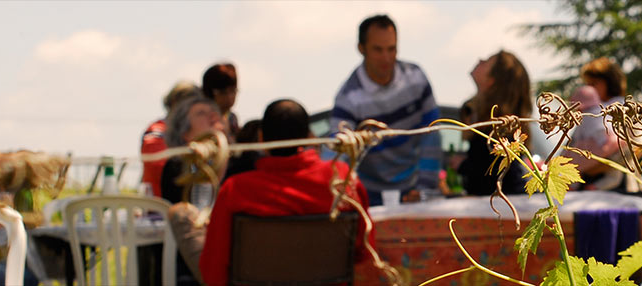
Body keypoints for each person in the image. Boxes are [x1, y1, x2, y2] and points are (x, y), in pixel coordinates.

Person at [200, 99, 372, 286]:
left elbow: (213, 269)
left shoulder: (235, 190)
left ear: (261, 138)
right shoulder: (343, 180)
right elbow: (364, 251)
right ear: (309, 136)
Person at [327, 15, 443, 205]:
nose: (386, 58)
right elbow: (338, 152)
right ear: (361, 49)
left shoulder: (416, 79)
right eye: (378, 50)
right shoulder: (348, 99)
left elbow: (432, 135)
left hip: (414, 190)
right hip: (369, 195)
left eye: (392, 49)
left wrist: (424, 188)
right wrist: (344, 192)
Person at [457, 51, 532, 196]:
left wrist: (463, 165)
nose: (479, 59)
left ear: (492, 80)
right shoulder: (494, 121)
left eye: (486, 61)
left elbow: (490, 175)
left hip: (506, 206)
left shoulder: (498, 129)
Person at [567, 58, 630, 191]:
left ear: (610, 83)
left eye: (594, 84)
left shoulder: (622, 109)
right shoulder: (591, 112)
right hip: (591, 184)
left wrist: (592, 167)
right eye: (588, 84)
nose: (590, 88)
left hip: (616, 188)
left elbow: (633, 150)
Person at [159, 96, 228, 204]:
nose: (212, 116)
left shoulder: (240, 163)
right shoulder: (175, 167)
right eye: (201, 113)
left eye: (214, 111)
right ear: (184, 132)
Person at [142, 81, 203, 200]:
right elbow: (158, 165)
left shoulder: (187, 132)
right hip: (160, 206)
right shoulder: (157, 131)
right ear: (176, 103)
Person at [203, 63, 241, 136]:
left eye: (233, 90)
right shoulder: (202, 119)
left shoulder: (232, 119)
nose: (229, 96)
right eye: (223, 92)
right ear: (209, 92)